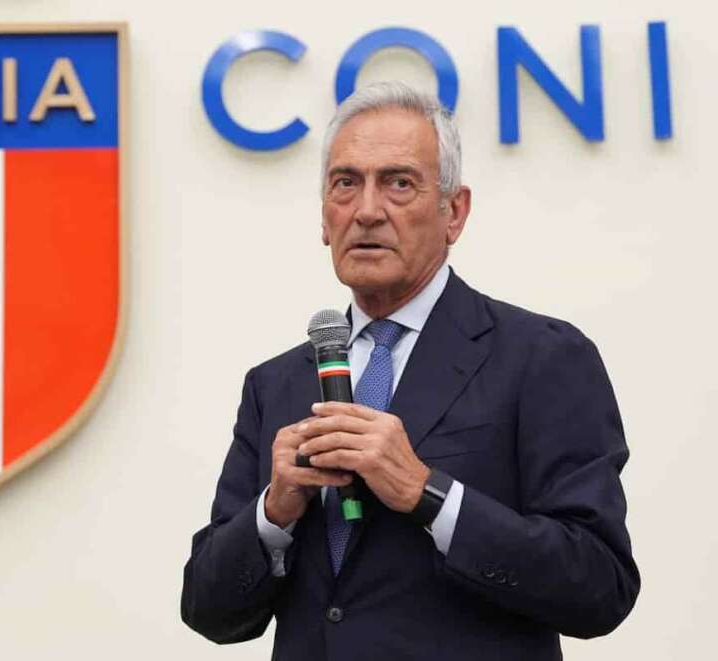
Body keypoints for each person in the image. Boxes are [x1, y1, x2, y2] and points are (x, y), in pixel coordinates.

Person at [180, 81, 639, 660]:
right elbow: (207, 610)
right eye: (346, 183)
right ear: (325, 217)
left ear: (455, 212)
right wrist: (275, 512)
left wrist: (429, 494)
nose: (367, 210)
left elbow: (601, 586)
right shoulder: (275, 383)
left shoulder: (542, 356)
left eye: (399, 183)